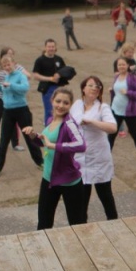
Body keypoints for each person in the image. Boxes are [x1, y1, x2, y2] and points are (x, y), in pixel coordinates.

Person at [22, 88, 88, 229]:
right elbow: (45, 142)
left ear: (70, 105)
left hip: (69, 182)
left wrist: (53, 145)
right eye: (58, 101)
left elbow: (81, 145)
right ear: (52, 101)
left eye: (66, 103)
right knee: (44, 224)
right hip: (48, 179)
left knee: (77, 226)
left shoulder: (69, 123)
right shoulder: (51, 119)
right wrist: (34, 135)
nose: (61, 105)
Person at [70, 76, 119, 220]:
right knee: (81, 199)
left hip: (99, 158)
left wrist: (92, 122)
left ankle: (114, 222)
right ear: (83, 88)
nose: (94, 88)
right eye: (90, 85)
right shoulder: (77, 104)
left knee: (105, 195)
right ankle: (81, 226)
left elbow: (112, 128)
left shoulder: (102, 107)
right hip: (80, 158)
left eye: (97, 86)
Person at [0, 56, 45, 177]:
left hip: (21, 110)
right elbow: (6, 91)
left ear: (14, 64)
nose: (7, 67)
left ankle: (40, 161)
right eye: (4, 66)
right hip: (7, 111)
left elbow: (24, 88)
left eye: (9, 64)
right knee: (4, 140)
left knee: (29, 137)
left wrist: (11, 85)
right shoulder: (6, 76)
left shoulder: (20, 75)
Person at [0, 47, 27, 156]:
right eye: (8, 54)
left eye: (12, 54)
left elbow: (27, 75)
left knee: (12, 121)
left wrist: (23, 76)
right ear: (2, 56)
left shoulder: (16, 67)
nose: (10, 56)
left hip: (11, 98)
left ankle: (15, 144)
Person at [108, 57, 136, 165]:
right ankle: (106, 157)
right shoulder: (116, 77)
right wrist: (112, 91)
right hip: (116, 109)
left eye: (123, 64)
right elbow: (116, 92)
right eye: (119, 65)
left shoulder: (133, 78)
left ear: (127, 66)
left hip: (130, 112)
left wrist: (128, 92)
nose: (121, 66)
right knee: (112, 134)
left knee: (135, 134)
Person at [31, 39, 69, 124]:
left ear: (55, 48)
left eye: (53, 47)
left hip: (59, 88)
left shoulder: (58, 59)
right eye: (49, 47)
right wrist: (50, 79)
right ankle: (48, 129)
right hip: (47, 89)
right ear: (45, 47)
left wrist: (60, 75)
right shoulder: (40, 60)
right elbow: (35, 75)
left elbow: (65, 70)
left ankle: (58, 128)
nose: (51, 48)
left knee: (60, 110)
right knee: (50, 111)